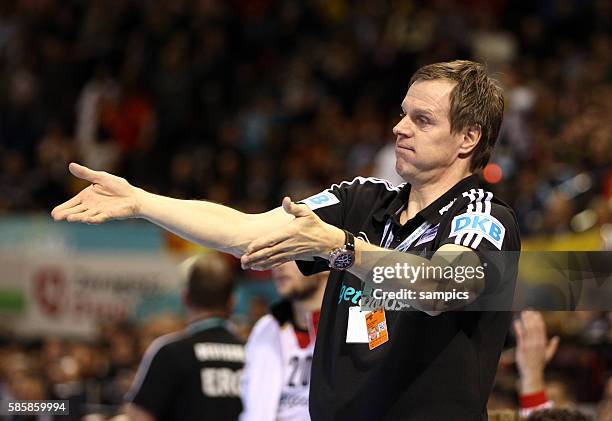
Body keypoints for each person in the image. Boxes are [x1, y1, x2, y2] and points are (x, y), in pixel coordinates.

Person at [52, 60, 521, 420]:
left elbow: (441, 288)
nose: (399, 128)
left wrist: (344, 249)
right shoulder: (362, 202)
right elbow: (244, 231)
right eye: (402, 114)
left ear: (468, 138)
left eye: (422, 120)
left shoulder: (480, 218)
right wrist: (142, 202)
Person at [125, 254, 244, 421]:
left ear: (185, 298)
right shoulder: (253, 352)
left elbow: (139, 417)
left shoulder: (170, 353)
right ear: (232, 302)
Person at [240, 262, 326, 421]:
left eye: (292, 256)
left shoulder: (352, 323)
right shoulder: (265, 328)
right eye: (276, 258)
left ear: (326, 266)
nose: (278, 266)